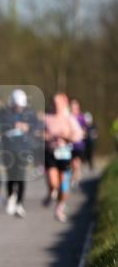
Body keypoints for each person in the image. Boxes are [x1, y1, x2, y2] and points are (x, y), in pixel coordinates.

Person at [43, 94, 84, 222]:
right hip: (50, 152)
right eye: (54, 103)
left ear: (63, 104)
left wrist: (67, 136)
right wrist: (46, 136)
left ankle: (60, 207)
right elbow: (38, 133)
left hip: (65, 153)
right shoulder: (47, 117)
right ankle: (51, 192)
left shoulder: (69, 118)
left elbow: (79, 134)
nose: (56, 105)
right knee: (53, 181)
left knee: (64, 184)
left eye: (58, 103)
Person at [0, 89, 37, 218]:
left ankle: (20, 203)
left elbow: (36, 126)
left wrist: (28, 127)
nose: (19, 108)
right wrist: (11, 126)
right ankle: (11, 197)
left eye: (21, 106)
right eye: (17, 106)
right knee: (11, 176)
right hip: (9, 150)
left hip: (23, 150)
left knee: (21, 177)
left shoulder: (29, 114)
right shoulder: (5, 114)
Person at [69, 98, 88, 189]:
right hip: (70, 143)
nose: (74, 107)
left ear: (78, 106)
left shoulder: (81, 117)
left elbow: (85, 129)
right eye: (72, 105)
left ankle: (75, 177)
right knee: (72, 163)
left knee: (76, 162)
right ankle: (76, 175)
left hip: (79, 144)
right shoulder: (68, 117)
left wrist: (82, 134)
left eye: (75, 105)